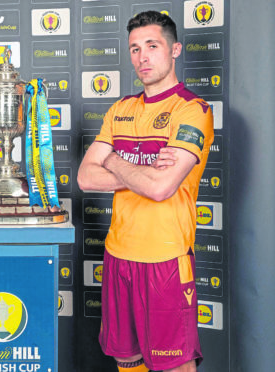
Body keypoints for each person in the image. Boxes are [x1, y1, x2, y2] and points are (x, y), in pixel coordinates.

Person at [77, 11, 214, 372]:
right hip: (118, 255)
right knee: (127, 359)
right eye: (135, 48)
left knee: (175, 366)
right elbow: (86, 178)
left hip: (165, 260)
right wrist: (145, 169)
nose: (142, 57)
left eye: (152, 46)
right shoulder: (120, 109)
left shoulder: (192, 110)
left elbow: (160, 187)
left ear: (175, 50)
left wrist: (116, 161)